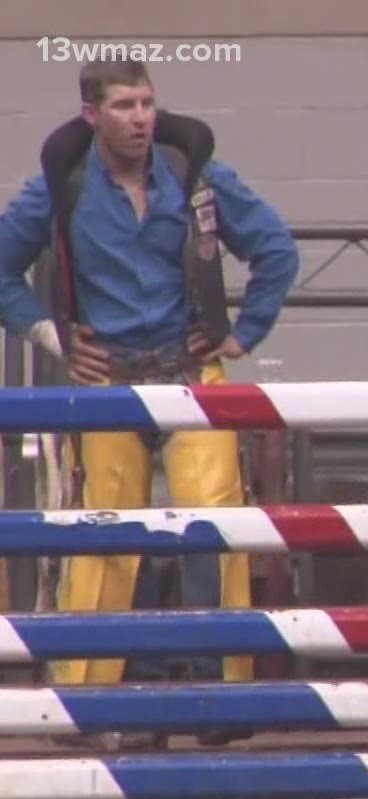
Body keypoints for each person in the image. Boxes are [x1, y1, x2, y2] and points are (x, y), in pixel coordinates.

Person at [0, 59, 299, 688]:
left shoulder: (195, 176)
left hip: (191, 370)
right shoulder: (63, 184)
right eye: (124, 107)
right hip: (108, 379)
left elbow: (276, 248)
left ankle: (224, 689)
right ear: (91, 115)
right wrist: (50, 334)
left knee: (216, 521)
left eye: (146, 104)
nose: (140, 119)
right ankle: (88, 695)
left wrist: (243, 332)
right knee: (104, 533)